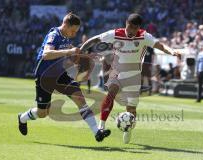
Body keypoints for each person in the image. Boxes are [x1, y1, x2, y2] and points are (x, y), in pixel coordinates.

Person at [80, 13, 181, 143]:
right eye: (128, 27)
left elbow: (160, 46)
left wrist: (172, 51)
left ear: (138, 27)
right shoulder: (115, 34)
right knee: (111, 93)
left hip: (133, 75)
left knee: (131, 108)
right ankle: (101, 125)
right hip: (117, 71)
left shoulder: (145, 36)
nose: (130, 31)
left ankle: (128, 130)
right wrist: (82, 49)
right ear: (126, 24)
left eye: (133, 28)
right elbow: (95, 39)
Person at [17, 12, 110, 142]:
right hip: (45, 77)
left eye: (76, 32)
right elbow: (46, 54)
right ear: (65, 25)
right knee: (43, 113)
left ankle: (97, 132)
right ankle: (22, 118)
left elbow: (70, 50)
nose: (74, 34)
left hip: (60, 75)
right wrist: (69, 52)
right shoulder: (54, 35)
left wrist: (82, 57)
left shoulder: (66, 37)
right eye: (73, 31)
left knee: (80, 99)